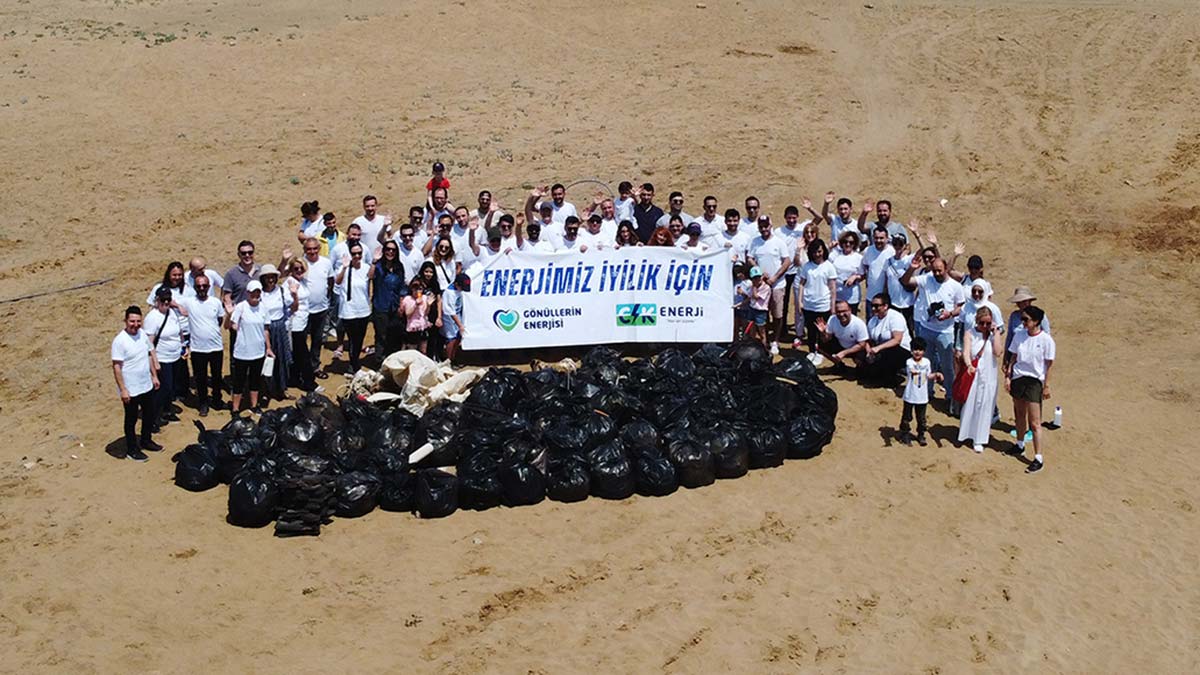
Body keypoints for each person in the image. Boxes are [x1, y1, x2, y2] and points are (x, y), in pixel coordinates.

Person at [901, 255, 965, 409]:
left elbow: (961, 306)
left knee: (947, 366)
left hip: (945, 331)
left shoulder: (955, 286)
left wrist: (949, 314)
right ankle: (926, 392)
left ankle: (950, 395)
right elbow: (906, 281)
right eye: (935, 270)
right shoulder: (927, 278)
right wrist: (912, 268)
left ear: (946, 269)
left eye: (939, 271)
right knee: (925, 363)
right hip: (926, 328)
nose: (936, 273)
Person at [1005, 305, 1055, 473]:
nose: (1023, 322)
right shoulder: (1019, 335)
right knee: (1019, 415)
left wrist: (1046, 385)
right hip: (1019, 378)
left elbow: (1049, 365)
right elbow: (1013, 357)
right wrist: (1008, 377)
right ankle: (1020, 445)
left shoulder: (1046, 340)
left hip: (1034, 381)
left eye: (1026, 319)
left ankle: (1038, 457)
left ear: (1036, 321)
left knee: (1035, 422)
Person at [111, 306, 162, 460]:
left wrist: (154, 376)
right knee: (131, 419)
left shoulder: (142, 335)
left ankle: (146, 440)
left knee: (149, 414)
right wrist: (123, 389)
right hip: (131, 388)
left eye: (138, 321)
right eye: (132, 321)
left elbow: (148, 355)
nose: (135, 324)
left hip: (146, 384)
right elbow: (117, 367)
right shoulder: (120, 341)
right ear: (126, 321)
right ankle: (132, 449)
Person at [957, 306, 1006, 454]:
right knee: (971, 403)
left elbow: (998, 352)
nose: (984, 326)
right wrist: (969, 364)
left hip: (989, 375)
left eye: (987, 323)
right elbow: (966, 352)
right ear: (976, 321)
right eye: (981, 323)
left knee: (985, 406)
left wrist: (996, 333)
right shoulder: (969, 333)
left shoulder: (991, 335)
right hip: (974, 374)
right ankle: (966, 433)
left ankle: (979, 438)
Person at [177, 274, 225, 416]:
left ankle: (217, 399)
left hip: (216, 346)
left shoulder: (215, 302)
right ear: (195, 287)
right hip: (198, 348)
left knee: (217, 376)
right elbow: (172, 301)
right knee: (200, 377)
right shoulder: (189, 302)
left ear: (209, 286)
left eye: (204, 286)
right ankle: (203, 403)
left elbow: (220, 319)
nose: (202, 288)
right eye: (199, 286)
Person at [223, 280, 271, 416]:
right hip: (242, 352)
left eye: (258, 292)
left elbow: (266, 329)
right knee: (239, 381)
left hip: (258, 351)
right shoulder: (241, 307)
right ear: (248, 293)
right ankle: (236, 408)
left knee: (255, 380)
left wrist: (268, 347)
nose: (255, 295)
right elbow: (230, 326)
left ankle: (254, 406)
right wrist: (229, 315)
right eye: (252, 292)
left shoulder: (263, 307)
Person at [747, 215, 792, 355]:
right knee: (762, 313)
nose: (764, 229)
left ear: (770, 226)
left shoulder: (779, 242)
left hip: (777, 284)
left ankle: (775, 341)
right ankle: (764, 341)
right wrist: (759, 273)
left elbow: (786, 261)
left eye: (766, 226)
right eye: (761, 226)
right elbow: (749, 258)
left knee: (777, 314)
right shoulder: (754, 242)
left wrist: (775, 277)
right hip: (761, 286)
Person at [143, 289, 184, 431]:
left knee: (171, 387)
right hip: (162, 357)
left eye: (168, 300)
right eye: (163, 300)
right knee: (162, 388)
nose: (166, 303)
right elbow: (149, 343)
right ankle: (152, 418)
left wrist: (184, 347)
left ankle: (166, 411)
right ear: (157, 301)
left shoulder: (172, 313)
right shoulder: (152, 318)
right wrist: (155, 362)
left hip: (175, 356)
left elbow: (179, 332)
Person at [299, 238, 334, 380]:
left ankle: (314, 367)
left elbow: (330, 281)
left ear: (319, 248)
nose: (312, 252)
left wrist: (325, 296)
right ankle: (302, 368)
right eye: (309, 249)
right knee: (301, 341)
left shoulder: (326, 262)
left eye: (314, 249)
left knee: (317, 340)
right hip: (303, 310)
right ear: (304, 250)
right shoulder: (301, 263)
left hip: (321, 308)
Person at [336, 242, 373, 373]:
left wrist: (374, 262)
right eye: (354, 254)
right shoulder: (344, 267)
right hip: (349, 309)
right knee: (352, 338)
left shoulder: (366, 266)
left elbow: (371, 276)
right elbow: (338, 281)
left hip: (363, 308)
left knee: (360, 337)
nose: (357, 256)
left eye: (359, 253)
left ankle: (355, 360)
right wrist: (345, 268)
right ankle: (354, 363)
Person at [283, 255, 318, 393]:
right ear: (291, 269)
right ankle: (309, 382)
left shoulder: (302, 281)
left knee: (298, 353)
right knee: (303, 354)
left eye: (301, 268)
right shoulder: (289, 284)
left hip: (303, 321)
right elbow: (291, 306)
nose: (299, 270)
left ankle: (294, 379)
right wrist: (294, 295)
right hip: (294, 323)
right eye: (295, 268)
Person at [796, 239, 838, 354]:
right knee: (811, 330)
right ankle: (811, 351)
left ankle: (821, 352)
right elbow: (801, 284)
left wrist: (832, 306)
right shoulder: (807, 266)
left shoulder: (829, 266)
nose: (817, 254)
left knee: (823, 330)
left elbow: (833, 288)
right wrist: (800, 301)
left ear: (823, 251)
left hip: (823, 305)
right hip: (809, 304)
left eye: (819, 251)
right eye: (815, 252)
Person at [257, 264, 292, 400]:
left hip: (280, 327)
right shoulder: (260, 293)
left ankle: (282, 388)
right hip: (266, 328)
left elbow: (291, 307)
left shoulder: (281, 291)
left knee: (281, 360)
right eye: (267, 277)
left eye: (273, 277)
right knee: (266, 360)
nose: (270, 280)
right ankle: (265, 391)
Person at [899, 336, 942, 446]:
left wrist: (936, 375)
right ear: (911, 350)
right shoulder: (909, 361)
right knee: (907, 416)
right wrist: (919, 372)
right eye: (915, 349)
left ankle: (921, 434)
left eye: (920, 350)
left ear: (924, 351)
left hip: (922, 396)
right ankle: (905, 434)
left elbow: (928, 375)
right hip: (910, 395)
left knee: (921, 418)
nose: (917, 352)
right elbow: (912, 370)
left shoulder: (927, 362)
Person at [863, 293, 911, 386]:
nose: (873, 309)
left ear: (885, 306)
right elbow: (868, 340)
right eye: (872, 306)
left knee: (889, 355)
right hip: (880, 350)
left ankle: (892, 377)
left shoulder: (895, 317)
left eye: (876, 306)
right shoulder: (872, 320)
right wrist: (868, 351)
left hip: (901, 350)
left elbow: (897, 340)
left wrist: (878, 348)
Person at [372, 241, 408, 357]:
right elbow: (370, 276)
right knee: (381, 335)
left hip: (395, 306)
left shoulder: (399, 267)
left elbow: (402, 286)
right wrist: (374, 262)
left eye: (393, 250)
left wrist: (401, 304)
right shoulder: (378, 266)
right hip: (381, 306)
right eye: (387, 249)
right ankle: (380, 360)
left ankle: (393, 359)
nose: (390, 252)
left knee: (395, 334)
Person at [814, 300, 869, 372]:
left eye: (844, 311)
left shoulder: (859, 324)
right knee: (820, 345)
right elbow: (827, 339)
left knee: (862, 367)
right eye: (838, 312)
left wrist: (844, 353)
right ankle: (838, 364)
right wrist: (823, 332)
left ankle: (860, 367)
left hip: (855, 348)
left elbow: (862, 344)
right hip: (841, 344)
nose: (841, 314)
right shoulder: (832, 319)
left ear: (850, 310)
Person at [860, 226, 895, 319]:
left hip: (888, 298)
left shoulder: (892, 252)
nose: (878, 240)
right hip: (871, 297)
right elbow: (865, 265)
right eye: (876, 238)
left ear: (887, 238)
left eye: (881, 238)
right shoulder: (868, 251)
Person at [1004, 286, 1051, 354]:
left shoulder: (1039, 315)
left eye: (1024, 301)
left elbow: (1046, 335)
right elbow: (1010, 337)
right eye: (1019, 302)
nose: (1022, 304)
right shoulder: (1014, 316)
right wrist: (1007, 355)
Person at [830, 231, 865, 314]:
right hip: (837, 295)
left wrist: (855, 277)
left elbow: (863, 275)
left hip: (852, 297)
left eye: (851, 242)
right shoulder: (835, 255)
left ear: (855, 244)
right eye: (845, 242)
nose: (848, 244)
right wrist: (830, 248)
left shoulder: (858, 258)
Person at [737, 267, 771, 347]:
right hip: (752, 309)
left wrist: (754, 287)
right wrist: (738, 304)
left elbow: (755, 296)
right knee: (752, 331)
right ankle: (753, 347)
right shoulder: (752, 287)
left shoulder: (766, 288)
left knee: (761, 332)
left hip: (760, 312)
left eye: (758, 277)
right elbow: (749, 297)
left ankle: (764, 348)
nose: (757, 279)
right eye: (754, 278)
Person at [401, 277, 434, 355]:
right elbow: (407, 314)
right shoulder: (407, 299)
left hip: (423, 327)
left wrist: (429, 306)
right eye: (415, 289)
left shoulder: (425, 298)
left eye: (420, 289)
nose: (417, 291)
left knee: (423, 351)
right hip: (413, 329)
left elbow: (425, 314)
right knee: (412, 352)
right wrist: (416, 304)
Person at [440, 273, 468, 361]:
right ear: (456, 284)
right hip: (449, 318)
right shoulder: (449, 293)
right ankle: (449, 360)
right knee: (451, 339)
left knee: (458, 338)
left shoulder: (458, 291)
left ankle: (454, 357)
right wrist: (459, 325)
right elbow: (450, 311)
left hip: (458, 315)